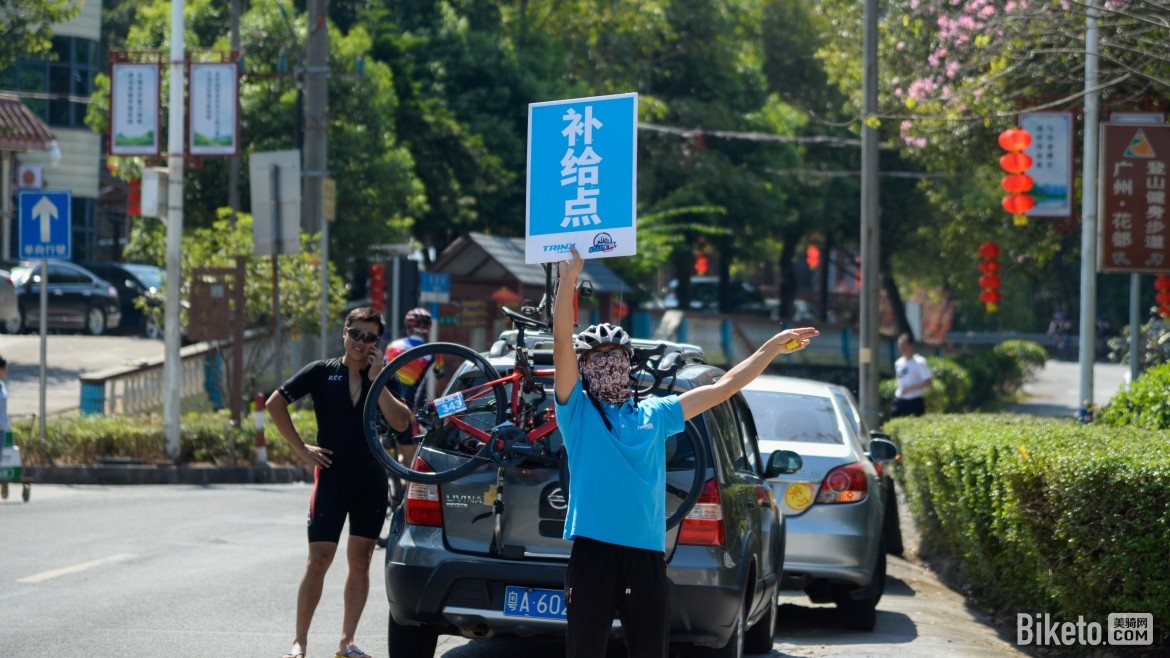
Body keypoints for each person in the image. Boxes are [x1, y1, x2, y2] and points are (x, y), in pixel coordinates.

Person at [552, 247, 818, 658]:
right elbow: (561, 344)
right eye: (596, 358)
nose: (606, 364)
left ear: (628, 363)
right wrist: (568, 280)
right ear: (584, 367)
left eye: (614, 356)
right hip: (593, 553)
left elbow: (724, 387)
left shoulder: (656, 413)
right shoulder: (577, 413)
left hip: (645, 555)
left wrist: (770, 347)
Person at [266, 306, 412, 658]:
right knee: (319, 558)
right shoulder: (321, 371)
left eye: (370, 337)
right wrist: (301, 448)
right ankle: (299, 642)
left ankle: (346, 642)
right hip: (332, 474)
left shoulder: (386, 377)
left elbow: (402, 422)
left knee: (361, 559)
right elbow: (275, 403)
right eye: (356, 333)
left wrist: (377, 380)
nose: (361, 342)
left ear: (378, 342)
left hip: (370, 477)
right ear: (344, 333)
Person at [382, 306, 444, 469]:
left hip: (384, 403)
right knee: (410, 462)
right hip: (408, 410)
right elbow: (441, 384)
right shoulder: (434, 353)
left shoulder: (392, 346)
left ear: (408, 327)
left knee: (382, 444)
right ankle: (406, 477)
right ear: (428, 328)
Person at [890, 332, 932, 418]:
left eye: (904, 344)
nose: (902, 347)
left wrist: (909, 389)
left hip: (914, 401)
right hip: (900, 399)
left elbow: (928, 382)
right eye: (900, 344)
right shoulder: (898, 363)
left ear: (911, 345)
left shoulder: (919, 362)